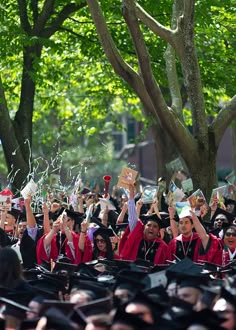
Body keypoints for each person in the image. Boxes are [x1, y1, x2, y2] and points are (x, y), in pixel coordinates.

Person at [119, 184, 168, 265]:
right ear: (144, 227)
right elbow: (132, 219)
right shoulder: (137, 238)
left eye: (155, 226)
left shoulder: (163, 247)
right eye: (148, 225)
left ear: (159, 231)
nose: (151, 228)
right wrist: (131, 196)